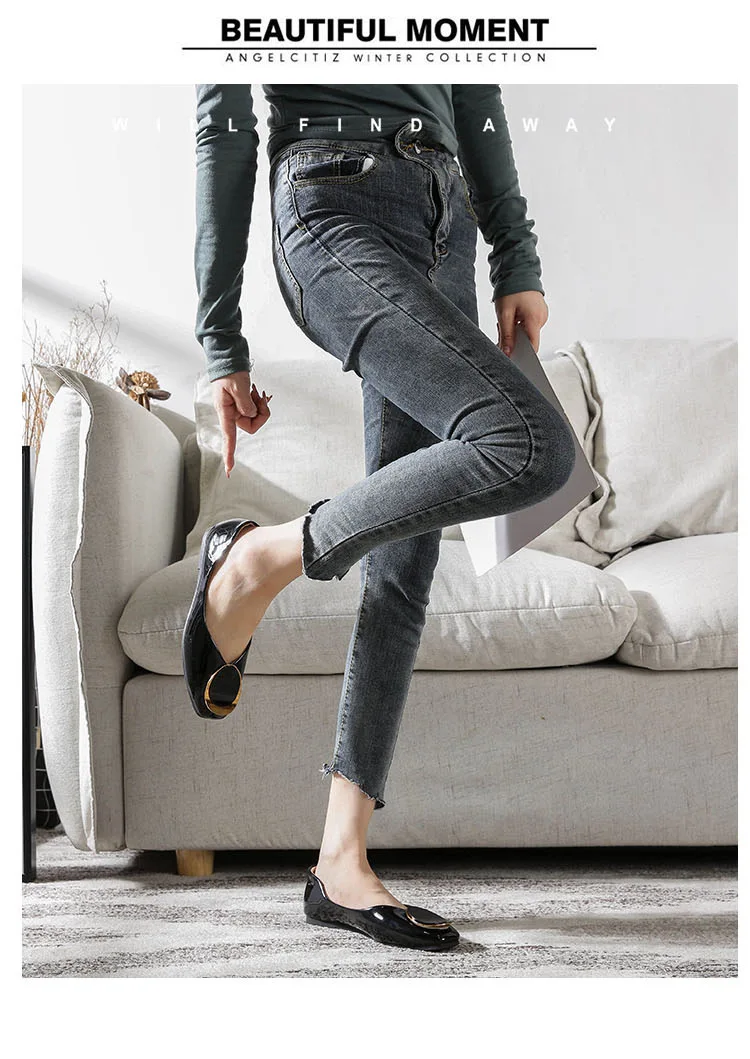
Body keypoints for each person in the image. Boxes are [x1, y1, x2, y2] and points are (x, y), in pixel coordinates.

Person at [183, 83, 576, 951]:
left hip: (445, 218)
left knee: (408, 556)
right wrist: (221, 340)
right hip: (332, 199)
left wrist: (513, 256)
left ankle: (340, 859)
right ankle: (259, 559)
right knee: (531, 446)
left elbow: (474, 86)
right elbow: (224, 120)